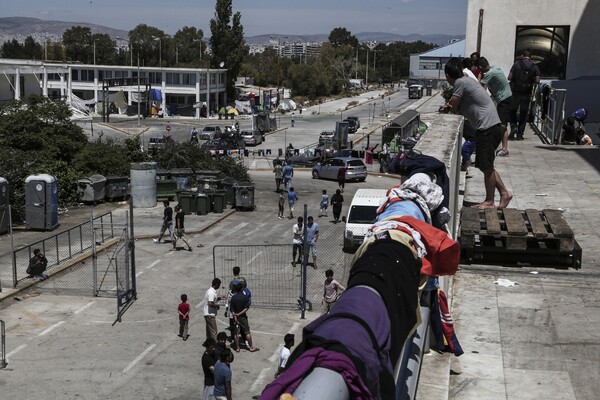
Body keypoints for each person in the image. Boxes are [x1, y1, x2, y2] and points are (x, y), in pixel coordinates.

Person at [443, 57, 512, 209]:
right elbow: (461, 107)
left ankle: (489, 201)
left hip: (487, 127)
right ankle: (504, 193)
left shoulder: (460, 82)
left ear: (447, 76)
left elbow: (454, 107)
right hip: (490, 126)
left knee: (486, 166)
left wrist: (449, 106)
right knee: (485, 165)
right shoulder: (466, 80)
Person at [478, 57, 515, 157]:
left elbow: (480, 89)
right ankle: (501, 147)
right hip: (507, 98)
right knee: (500, 125)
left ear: (481, 67)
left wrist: (480, 76)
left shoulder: (489, 74)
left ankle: (505, 149)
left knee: (502, 126)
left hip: (504, 100)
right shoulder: (495, 68)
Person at [508, 50, 541, 141]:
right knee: (523, 114)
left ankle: (513, 126)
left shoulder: (517, 64)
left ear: (523, 56)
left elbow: (509, 77)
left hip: (516, 92)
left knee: (512, 110)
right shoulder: (535, 67)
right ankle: (520, 134)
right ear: (531, 57)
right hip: (527, 93)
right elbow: (538, 81)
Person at [229, 281, 259, 352]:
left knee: (236, 333)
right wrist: (239, 314)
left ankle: (237, 347)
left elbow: (231, 308)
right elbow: (246, 308)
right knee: (247, 332)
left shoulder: (233, 297)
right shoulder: (245, 297)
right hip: (242, 317)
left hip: (235, 317)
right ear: (242, 289)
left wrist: (235, 315)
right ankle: (251, 347)